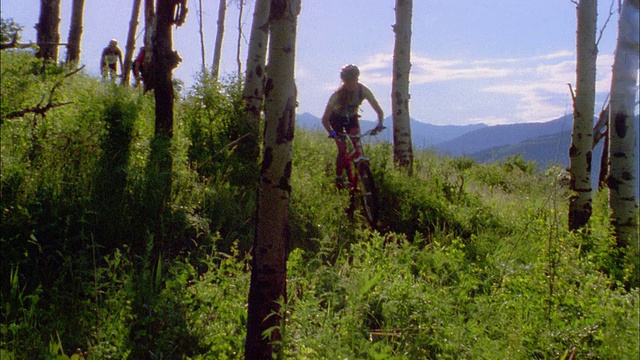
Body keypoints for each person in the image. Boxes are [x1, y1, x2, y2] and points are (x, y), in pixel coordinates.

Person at [321, 64, 385, 189]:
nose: (351, 83)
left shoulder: (363, 91)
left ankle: (359, 177)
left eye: (353, 80)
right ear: (343, 81)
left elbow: (379, 110)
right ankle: (339, 178)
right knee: (342, 149)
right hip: (336, 120)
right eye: (347, 81)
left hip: (352, 119)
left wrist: (380, 124)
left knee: (358, 146)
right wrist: (332, 132)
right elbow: (325, 119)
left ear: (357, 78)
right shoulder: (337, 95)